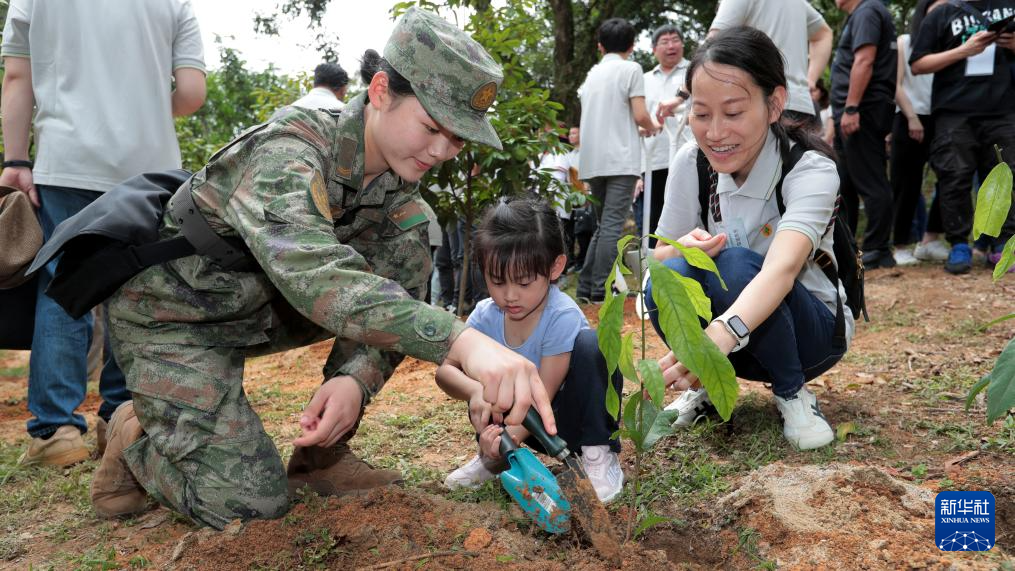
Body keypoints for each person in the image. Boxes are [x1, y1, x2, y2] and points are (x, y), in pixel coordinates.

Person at [88, 7, 557, 529]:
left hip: (260, 310)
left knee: (413, 242)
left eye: (458, 139)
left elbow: (394, 286)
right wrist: (464, 342)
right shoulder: (289, 151)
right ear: (380, 91)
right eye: (432, 127)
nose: (443, 151)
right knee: (253, 510)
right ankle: (134, 433)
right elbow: (315, 274)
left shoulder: (397, 194)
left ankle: (320, 459)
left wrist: (355, 381)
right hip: (171, 320)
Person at [0, 0, 206, 467]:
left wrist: (16, 161)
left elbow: (17, 79)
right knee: (131, 286)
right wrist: (148, 110)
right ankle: (119, 418)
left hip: (67, 161)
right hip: (149, 168)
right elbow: (192, 93)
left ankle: (56, 431)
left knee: (61, 287)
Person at [646, 27, 851, 451]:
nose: (715, 133)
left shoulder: (810, 170)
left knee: (737, 264)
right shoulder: (692, 163)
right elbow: (658, 255)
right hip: (729, 342)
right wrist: (684, 249)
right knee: (670, 270)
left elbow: (782, 269)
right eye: (701, 115)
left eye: (734, 112)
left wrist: (714, 339)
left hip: (809, 335)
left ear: (774, 104)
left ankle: (793, 393)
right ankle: (707, 388)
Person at [438, 198, 624, 502]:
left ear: (555, 267)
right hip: (523, 427)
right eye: (497, 281)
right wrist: (474, 391)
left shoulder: (560, 314)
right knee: (485, 383)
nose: (510, 295)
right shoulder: (485, 316)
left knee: (593, 344)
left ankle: (598, 456)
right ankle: (494, 458)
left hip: (563, 420)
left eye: (524, 282)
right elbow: (445, 371)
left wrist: (505, 439)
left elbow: (544, 396)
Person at [910, 0, 1015, 274]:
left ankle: (1004, 244)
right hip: (954, 112)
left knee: (1006, 176)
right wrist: (964, 50)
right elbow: (918, 63)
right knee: (953, 176)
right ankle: (959, 243)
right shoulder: (943, 13)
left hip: (1003, 110)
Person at [575, 17, 660, 304]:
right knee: (612, 225)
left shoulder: (591, 75)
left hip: (592, 160)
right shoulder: (631, 69)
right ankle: (601, 288)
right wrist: (653, 126)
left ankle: (586, 288)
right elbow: (639, 114)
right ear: (632, 46)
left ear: (600, 46)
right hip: (620, 159)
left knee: (603, 226)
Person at [830, 0, 898, 270]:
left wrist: (851, 106)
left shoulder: (868, 10)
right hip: (856, 111)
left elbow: (865, 59)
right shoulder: (864, 13)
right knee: (845, 182)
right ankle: (848, 247)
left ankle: (878, 248)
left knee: (871, 180)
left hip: (862, 109)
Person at [707, 0, 834, 129]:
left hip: (762, 105)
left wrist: (688, 91)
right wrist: (811, 79)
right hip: (800, 104)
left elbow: (712, 47)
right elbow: (824, 34)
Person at [891, 0, 949, 266]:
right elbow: (896, 83)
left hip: (943, 118)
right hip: (908, 118)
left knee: (950, 177)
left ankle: (930, 239)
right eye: (935, 8)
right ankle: (900, 244)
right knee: (907, 185)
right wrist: (912, 117)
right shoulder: (905, 42)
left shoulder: (953, 46)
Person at [637, 24, 691, 248]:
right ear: (653, 49)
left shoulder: (694, 71)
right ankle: (654, 271)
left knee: (687, 217)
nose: (671, 46)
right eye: (665, 42)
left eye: (675, 40)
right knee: (654, 219)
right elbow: (637, 120)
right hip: (653, 161)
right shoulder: (643, 79)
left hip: (689, 157)